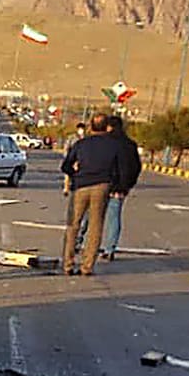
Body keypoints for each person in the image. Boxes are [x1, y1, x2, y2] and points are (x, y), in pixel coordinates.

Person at [60, 113, 123, 275]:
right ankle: (87, 266)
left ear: (90, 126)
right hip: (102, 186)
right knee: (96, 227)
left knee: (73, 225)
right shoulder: (113, 146)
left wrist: (75, 175)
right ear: (106, 127)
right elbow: (119, 169)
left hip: (81, 186)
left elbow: (66, 165)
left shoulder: (81, 144)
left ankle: (68, 264)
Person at [96, 114, 141, 260]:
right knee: (113, 218)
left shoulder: (105, 142)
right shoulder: (130, 145)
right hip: (120, 188)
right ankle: (110, 249)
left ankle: (82, 244)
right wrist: (127, 185)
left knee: (91, 216)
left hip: (101, 183)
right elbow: (136, 167)